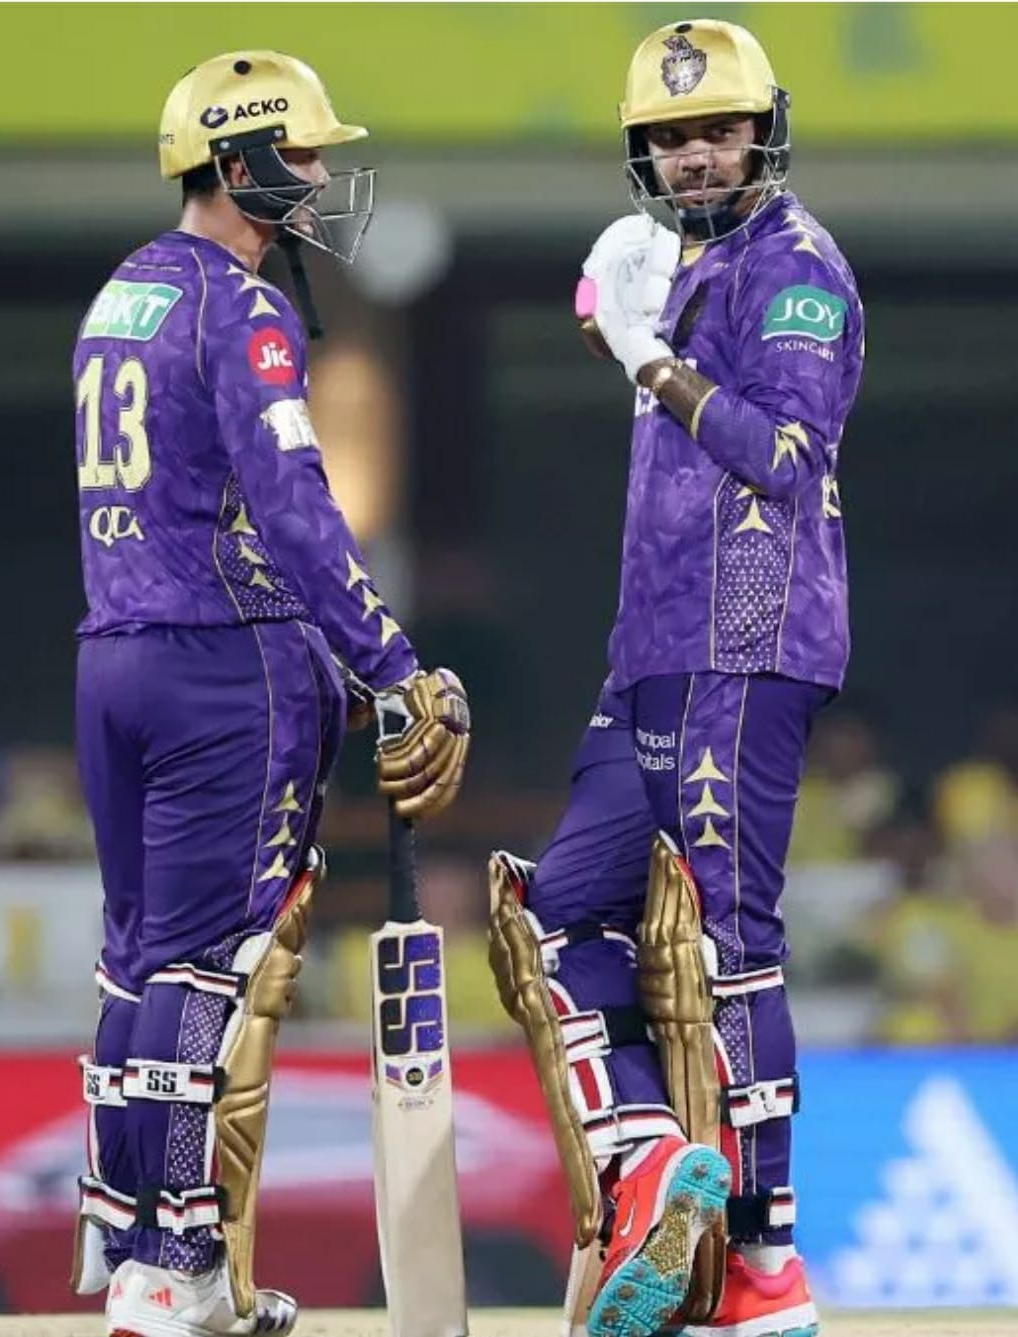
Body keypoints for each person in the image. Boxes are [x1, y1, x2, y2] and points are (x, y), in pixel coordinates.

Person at [70, 51, 470, 1337]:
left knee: (135, 959)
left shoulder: (122, 292)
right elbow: (295, 508)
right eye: (298, 154)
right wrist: (389, 662)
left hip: (112, 655)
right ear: (236, 161)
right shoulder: (241, 308)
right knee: (204, 968)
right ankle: (175, 1262)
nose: (316, 176)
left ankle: (127, 1238)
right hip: (218, 666)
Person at [489, 19, 863, 1337]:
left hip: (749, 638)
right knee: (553, 919)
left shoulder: (800, 266)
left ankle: (767, 1262)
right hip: (648, 648)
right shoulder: (682, 265)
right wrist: (646, 335)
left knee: (729, 941)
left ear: (764, 132)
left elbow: (786, 457)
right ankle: (653, 1163)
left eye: (718, 130)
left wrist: (650, 354)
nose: (696, 156)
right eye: (670, 137)